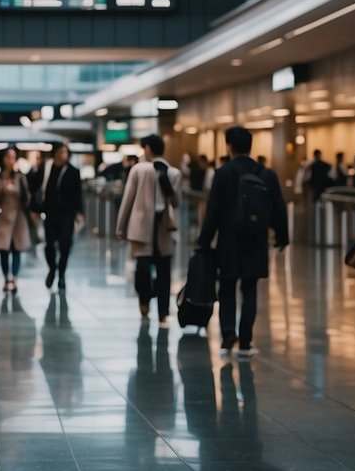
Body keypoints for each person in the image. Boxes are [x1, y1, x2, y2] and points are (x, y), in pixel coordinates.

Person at [196, 126, 289, 358]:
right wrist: (282, 236)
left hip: (229, 240)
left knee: (227, 289)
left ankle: (228, 335)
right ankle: (246, 343)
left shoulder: (223, 173)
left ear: (228, 146)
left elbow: (213, 211)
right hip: (256, 239)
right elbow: (278, 207)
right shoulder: (266, 174)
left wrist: (204, 241)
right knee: (250, 289)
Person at [117, 134, 181, 322]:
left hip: (141, 226)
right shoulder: (174, 173)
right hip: (165, 227)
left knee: (142, 266)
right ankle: (163, 311)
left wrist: (121, 226)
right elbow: (176, 203)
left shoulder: (138, 169)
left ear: (148, 149)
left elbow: (128, 200)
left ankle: (144, 301)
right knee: (164, 269)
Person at [29, 142, 83, 292]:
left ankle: (61, 275)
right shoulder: (47, 167)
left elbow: (78, 194)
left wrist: (79, 212)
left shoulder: (73, 171)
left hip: (67, 213)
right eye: (60, 152)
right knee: (50, 245)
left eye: (65, 152)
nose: (63, 155)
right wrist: (35, 167)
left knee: (65, 245)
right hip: (50, 211)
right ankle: (52, 269)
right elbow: (33, 184)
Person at [0, 146, 31, 294]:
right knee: (4, 250)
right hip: (4, 218)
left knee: (16, 249)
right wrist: (4, 187)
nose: (11, 160)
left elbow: (27, 198)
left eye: (13, 157)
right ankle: (6, 278)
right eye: (8, 157)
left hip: (18, 218)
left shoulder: (20, 177)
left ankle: (14, 278)